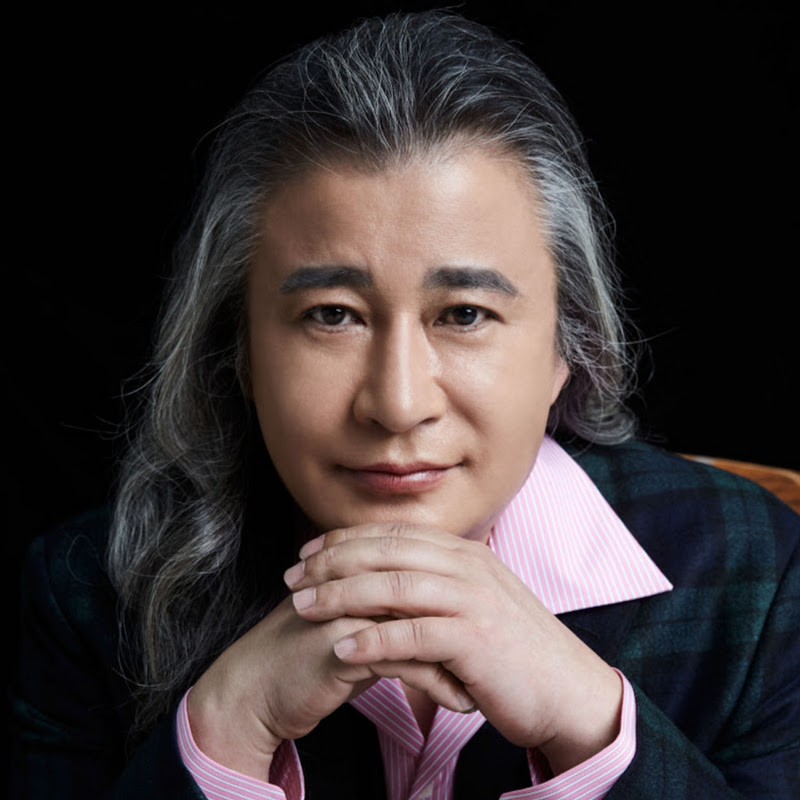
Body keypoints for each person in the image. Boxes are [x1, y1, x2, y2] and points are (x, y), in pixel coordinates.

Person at [11, 10, 798, 800]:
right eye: (332, 315)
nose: (397, 404)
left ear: (568, 345)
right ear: (238, 352)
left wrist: (589, 725)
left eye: (464, 314)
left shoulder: (756, 575)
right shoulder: (87, 596)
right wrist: (224, 732)